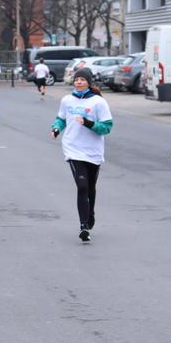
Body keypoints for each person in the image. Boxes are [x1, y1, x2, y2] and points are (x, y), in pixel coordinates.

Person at [51, 68, 112, 243]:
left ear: (89, 82)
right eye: (76, 79)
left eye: (82, 80)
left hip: (93, 150)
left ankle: (90, 212)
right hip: (73, 148)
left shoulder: (98, 102)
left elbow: (107, 127)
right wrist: (56, 128)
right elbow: (61, 118)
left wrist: (88, 123)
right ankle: (83, 225)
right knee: (82, 186)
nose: (78, 82)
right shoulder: (67, 100)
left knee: (91, 187)